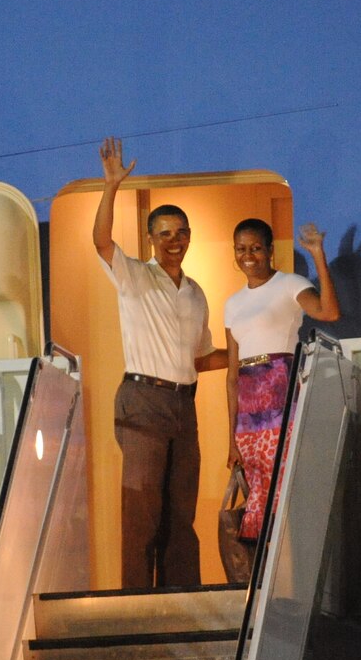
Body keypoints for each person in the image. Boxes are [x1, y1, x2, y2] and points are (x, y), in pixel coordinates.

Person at [94, 137, 228, 588]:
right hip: (142, 398)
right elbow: (100, 241)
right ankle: (134, 599)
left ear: (190, 237)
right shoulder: (135, 276)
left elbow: (201, 357)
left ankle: (182, 596)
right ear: (151, 240)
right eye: (165, 234)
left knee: (180, 506)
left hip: (182, 404)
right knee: (142, 505)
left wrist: (251, 355)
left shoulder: (195, 292)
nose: (174, 241)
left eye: (181, 232)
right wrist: (112, 186)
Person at [224, 219, 340, 543]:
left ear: (270, 250)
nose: (249, 256)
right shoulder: (231, 304)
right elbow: (231, 376)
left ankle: (290, 570)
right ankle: (263, 580)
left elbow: (329, 312)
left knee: (284, 484)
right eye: (241, 249)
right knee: (258, 489)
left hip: (280, 394)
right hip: (247, 408)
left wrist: (318, 254)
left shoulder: (290, 283)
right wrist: (230, 438)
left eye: (256, 248)